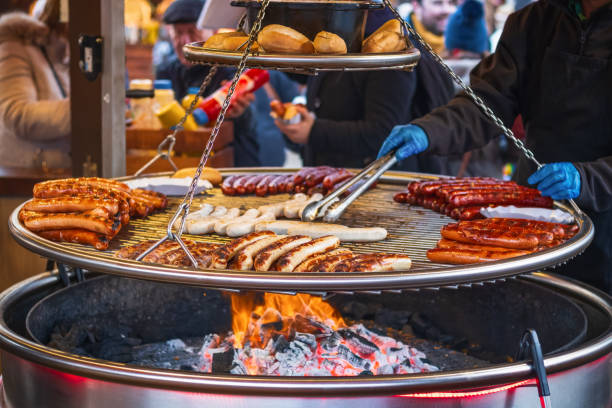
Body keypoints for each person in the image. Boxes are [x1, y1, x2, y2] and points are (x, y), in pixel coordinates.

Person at [378, 0, 612, 293]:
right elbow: (487, 103)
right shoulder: (534, 22)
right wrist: (428, 130)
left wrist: (588, 179)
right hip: (533, 209)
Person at [274, 10, 455, 171]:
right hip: (331, 181)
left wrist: (314, 131)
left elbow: (383, 133)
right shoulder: (337, 37)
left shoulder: (385, 48)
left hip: (373, 187)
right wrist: (302, 125)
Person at [155, 0, 260, 167]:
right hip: (184, 163)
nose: (185, 41)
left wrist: (241, 113)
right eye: (178, 33)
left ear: (214, 32)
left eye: (192, 31)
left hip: (234, 164)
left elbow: (255, 121)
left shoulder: (232, 67)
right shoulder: (166, 70)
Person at [0, 0, 70, 169]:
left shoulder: (60, 54)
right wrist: (87, 110)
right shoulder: (16, 47)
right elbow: (17, 114)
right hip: (23, 178)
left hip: (51, 171)